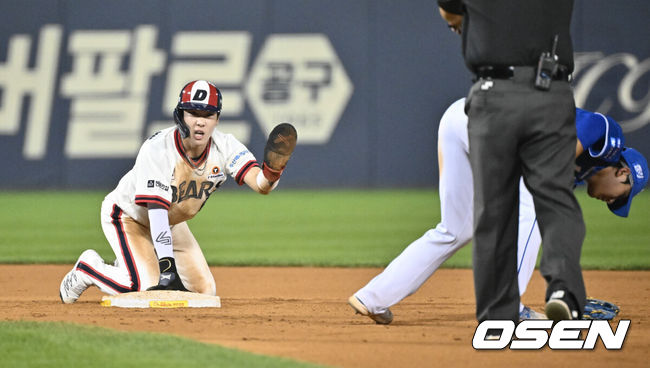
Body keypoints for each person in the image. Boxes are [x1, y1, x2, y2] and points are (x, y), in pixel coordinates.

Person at [348, 98, 648, 324]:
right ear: (623, 173)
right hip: (486, 122)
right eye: (620, 197)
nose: (613, 202)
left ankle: (372, 298)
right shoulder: (607, 134)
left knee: (455, 229)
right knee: (533, 207)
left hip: (463, 120)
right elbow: (560, 152)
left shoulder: (576, 176)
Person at [59, 80, 297, 302]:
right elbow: (157, 210)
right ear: (181, 115)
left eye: (208, 115)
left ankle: (131, 263)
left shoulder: (225, 146)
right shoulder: (158, 149)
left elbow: (259, 184)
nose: (200, 121)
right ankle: (88, 268)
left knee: (204, 292)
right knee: (145, 286)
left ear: (217, 119)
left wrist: (272, 172)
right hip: (129, 217)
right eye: (193, 113)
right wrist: (167, 268)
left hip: (171, 222)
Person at [436, 0, 586, 323]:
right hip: (552, 90)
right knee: (556, 199)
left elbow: (448, 10)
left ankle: (496, 316)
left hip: (494, 93)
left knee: (494, 209)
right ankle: (564, 290)